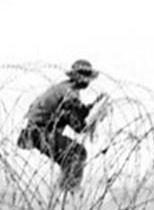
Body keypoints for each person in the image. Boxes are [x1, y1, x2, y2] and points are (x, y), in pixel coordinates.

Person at [17, 59, 103, 191]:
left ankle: (63, 191)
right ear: (76, 76)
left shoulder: (66, 89)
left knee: (69, 157)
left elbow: (76, 113)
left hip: (38, 131)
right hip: (39, 132)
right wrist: (96, 115)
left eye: (88, 77)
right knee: (77, 153)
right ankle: (68, 192)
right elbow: (78, 126)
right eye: (84, 77)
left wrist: (92, 108)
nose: (87, 81)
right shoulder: (68, 93)